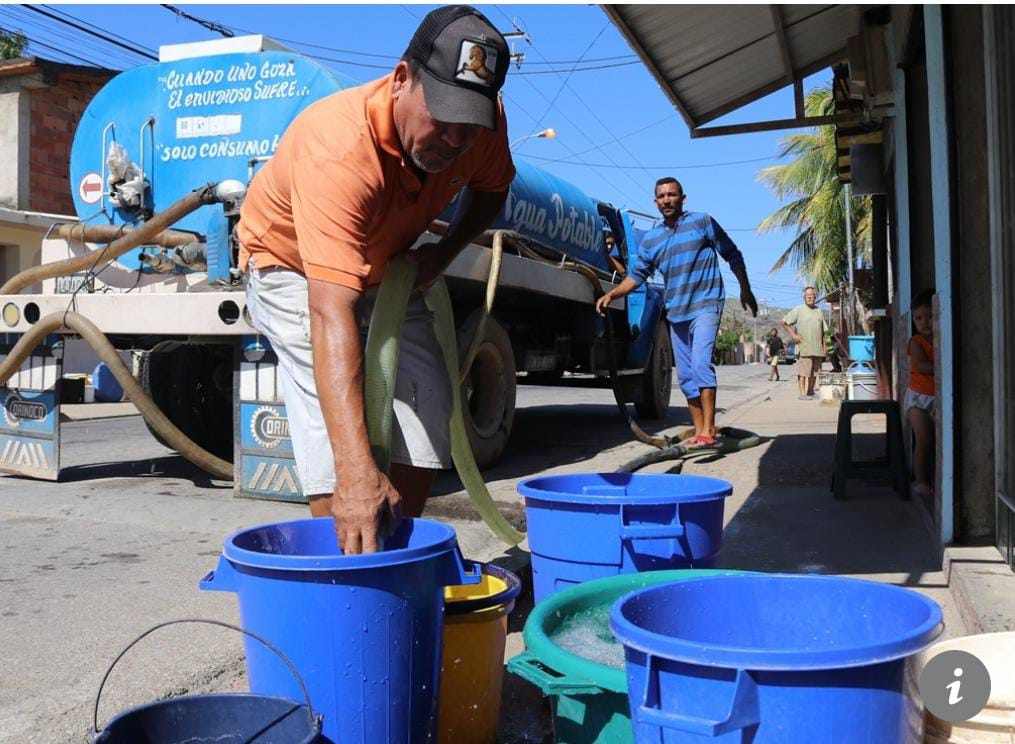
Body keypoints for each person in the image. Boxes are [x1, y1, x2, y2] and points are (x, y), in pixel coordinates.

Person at [237, 5, 514, 554]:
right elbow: (328, 311)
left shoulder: (480, 127)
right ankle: (342, 571)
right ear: (402, 79)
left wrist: (444, 252)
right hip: (290, 266)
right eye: (442, 117)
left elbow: (493, 188)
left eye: (469, 126)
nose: (454, 140)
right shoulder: (339, 145)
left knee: (429, 396)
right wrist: (358, 471)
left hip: (388, 266)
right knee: (334, 427)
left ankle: (390, 553)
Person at [595, 177, 757, 447]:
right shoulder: (652, 239)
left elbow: (732, 254)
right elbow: (637, 276)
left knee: (701, 365)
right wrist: (612, 294)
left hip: (706, 304)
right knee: (684, 377)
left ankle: (709, 429)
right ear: (655, 201)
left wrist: (745, 289)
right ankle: (699, 430)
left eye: (672, 195)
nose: (667, 200)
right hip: (676, 311)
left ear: (683, 198)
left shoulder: (702, 222)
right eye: (661, 196)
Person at [906, 289, 936, 499]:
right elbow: (923, 366)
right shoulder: (915, 341)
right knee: (923, 439)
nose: (924, 322)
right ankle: (921, 481)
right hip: (918, 398)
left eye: (930, 316)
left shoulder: (941, 338)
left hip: (936, 396)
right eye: (918, 318)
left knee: (934, 441)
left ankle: (930, 477)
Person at [783, 287, 828, 399]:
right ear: (804, 297)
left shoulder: (819, 311)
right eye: (807, 295)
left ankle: (810, 391)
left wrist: (824, 347)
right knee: (803, 372)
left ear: (815, 297)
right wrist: (794, 335)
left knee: (815, 372)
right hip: (804, 347)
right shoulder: (799, 309)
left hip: (817, 348)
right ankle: (802, 393)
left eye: (812, 295)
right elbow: (784, 322)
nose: (810, 297)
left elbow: (823, 332)